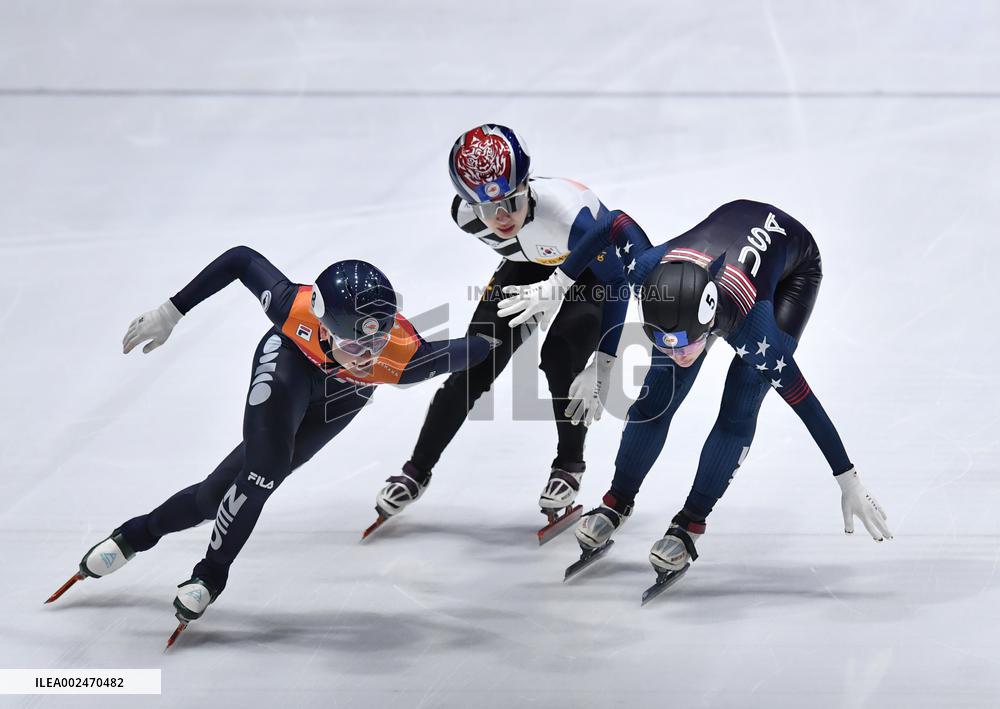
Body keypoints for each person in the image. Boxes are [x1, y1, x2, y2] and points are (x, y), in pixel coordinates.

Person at [46, 246, 496, 637]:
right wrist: (172, 310)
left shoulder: (401, 360)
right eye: (355, 346)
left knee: (215, 496)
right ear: (322, 321)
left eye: (376, 344)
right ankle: (210, 575)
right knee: (262, 472)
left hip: (340, 399)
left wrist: (536, 300)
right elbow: (241, 259)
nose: (367, 356)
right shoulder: (293, 307)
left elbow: (480, 347)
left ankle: (138, 533)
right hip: (289, 365)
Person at [498, 200, 891, 582]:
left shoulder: (754, 329)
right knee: (657, 394)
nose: (681, 354)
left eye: (688, 344)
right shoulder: (645, 272)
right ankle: (617, 499)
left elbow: (805, 402)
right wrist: (558, 284)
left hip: (792, 270)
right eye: (666, 342)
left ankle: (690, 522)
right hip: (711, 255)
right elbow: (612, 221)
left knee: (743, 394)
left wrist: (847, 478)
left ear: (710, 321)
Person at [370, 124, 629, 541]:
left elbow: (617, 281)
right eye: (488, 210)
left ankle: (569, 464)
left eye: (511, 202)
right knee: (474, 363)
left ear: (527, 185)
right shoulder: (465, 216)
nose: (502, 218)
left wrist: (604, 361)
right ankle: (416, 470)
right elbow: (524, 248)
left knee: (561, 358)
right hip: (533, 261)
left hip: (590, 269)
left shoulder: (568, 216)